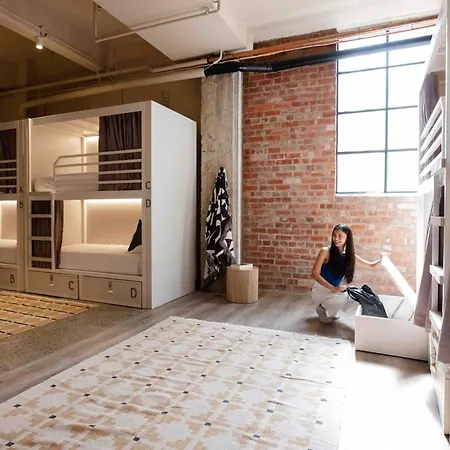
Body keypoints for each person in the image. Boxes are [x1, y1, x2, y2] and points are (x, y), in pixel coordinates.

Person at [311, 223, 384, 324]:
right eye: (334, 235)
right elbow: (314, 273)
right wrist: (333, 288)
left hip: (335, 291)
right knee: (342, 297)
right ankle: (321, 309)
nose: (336, 238)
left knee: (357, 297)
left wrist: (382, 259)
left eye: (340, 236)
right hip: (321, 289)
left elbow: (371, 265)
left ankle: (333, 311)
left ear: (347, 238)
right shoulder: (325, 251)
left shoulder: (349, 256)